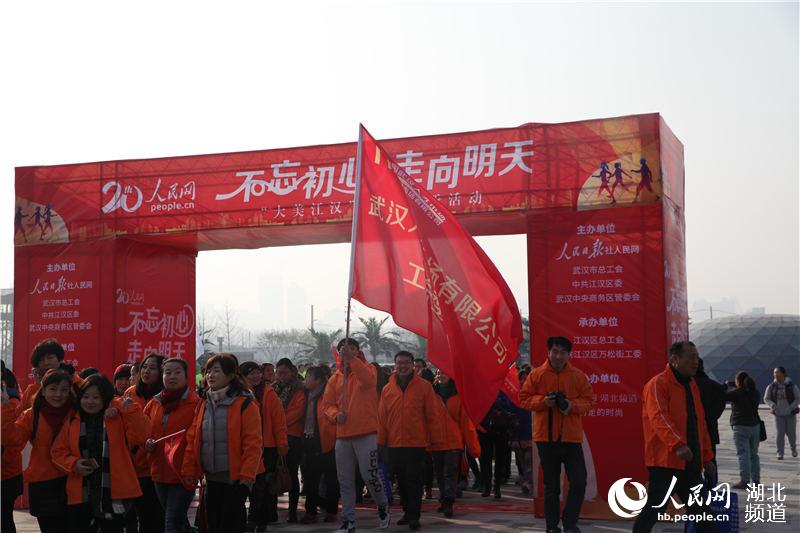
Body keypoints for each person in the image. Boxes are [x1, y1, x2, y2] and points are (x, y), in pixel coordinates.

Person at [633, 341, 716, 533]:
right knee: (654, 509)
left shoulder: (692, 385)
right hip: (666, 462)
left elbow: (699, 424)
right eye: (690, 357)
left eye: (697, 357)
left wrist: (707, 457)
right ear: (674, 359)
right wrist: (677, 445)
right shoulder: (658, 384)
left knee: (701, 512)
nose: (695, 362)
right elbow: (659, 417)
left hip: (690, 461)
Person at [52, 374, 149, 533]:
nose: (90, 401)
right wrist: (74, 464)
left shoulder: (118, 417)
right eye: (86, 396)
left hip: (114, 492)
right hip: (82, 493)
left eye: (96, 397)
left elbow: (143, 435)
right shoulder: (73, 420)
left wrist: (123, 407)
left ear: (106, 398)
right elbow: (58, 452)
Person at [181, 354, 263, 533]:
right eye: (208, 371)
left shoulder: (245, 403)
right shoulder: (203, 403)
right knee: (213, 525)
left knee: (230, 525)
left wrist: (247, 477)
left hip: (235, 480)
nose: (210, 375)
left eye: (216, 371)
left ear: (231, 375)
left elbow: (253, 443)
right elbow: (193, 439)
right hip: (210, 478)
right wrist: (189, 470)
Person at [519, 336, 592, 533]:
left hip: (571, 438)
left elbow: (589, 401)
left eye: (563, 352)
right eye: (555, 351)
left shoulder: (577, 376)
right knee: (551, 486)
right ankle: (552, 526)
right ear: (548, 352)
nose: (558, 356)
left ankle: (570, 523)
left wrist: (570, 405)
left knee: (579, 481)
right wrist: (543, 402)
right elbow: (524, 399)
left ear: (569, 354)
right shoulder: (537, 375)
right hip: (546, 439)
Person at [322, 338, 390, 533]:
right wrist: (336, 415)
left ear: (357, 351)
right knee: (345, 480)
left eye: (352, 348)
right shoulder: (335, 378)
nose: (348, 351)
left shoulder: (368, 369)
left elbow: (367, 382)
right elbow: (327, 405)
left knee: (370, 475)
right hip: (342, 436)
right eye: (344, 349)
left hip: (366, 433)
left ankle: (382, 505)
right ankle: (348, 521)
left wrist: (351, 360)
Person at [1, 369, 75, 533]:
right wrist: (5, 408)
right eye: (53, 389)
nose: (58, 394)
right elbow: (11, 439)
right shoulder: (32, 415)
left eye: (64, 390)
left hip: (72, 481)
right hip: (43, 485)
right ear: (43, 391)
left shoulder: (76, 413)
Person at [378, 351, 443, 531]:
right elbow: (382, 417)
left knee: (414, 480)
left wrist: (436, 439)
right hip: (394, 443)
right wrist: (381, 441)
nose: (403, 366)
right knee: (401, 482)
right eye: (399, 363)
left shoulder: (424, 387)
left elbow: (432, 414)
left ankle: (414, 516)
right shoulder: (387, 389)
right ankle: (407, 512)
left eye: (406, 362)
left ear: (413, 365)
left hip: (416, 443)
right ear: (395, 365)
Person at [143, 358, 200, 533]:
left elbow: (197, 440)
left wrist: (191, 471)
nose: (172, 376)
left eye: (177, 372)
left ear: (186, 376)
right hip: (159, 472)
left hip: (183, 474)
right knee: (178, 521)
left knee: (171, 524)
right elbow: (144, 431)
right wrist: (147, 443)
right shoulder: (154, 403)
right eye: (168, 372)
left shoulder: (196, 404)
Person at [125, 353, 167, 533]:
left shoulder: (164, 396)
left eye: (152, 368)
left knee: (156, 517)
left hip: (157, 463)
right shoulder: (131, 393)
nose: (147, 371)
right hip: (134, 463)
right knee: (138, 515)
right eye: (144, 367)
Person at [430, 370, 480, 518]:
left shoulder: (458, 396)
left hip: (453, 441)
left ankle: (449, 501)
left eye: (444, 372)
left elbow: (466, 423)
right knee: (439, 473)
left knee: (450, 472)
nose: (441, 375)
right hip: (435, 440)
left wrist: (473, 447)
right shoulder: (430, 394)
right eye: (439, 373)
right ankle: (443, 498)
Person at [299, 366, 340, 524]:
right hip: (309, 439)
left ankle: (331, 511)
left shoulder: (328, 393)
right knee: (310, 479)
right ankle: (311, 512)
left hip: (327, 440)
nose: (306, 380)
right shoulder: (305, 394)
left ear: (318, 380)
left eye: (308, 377)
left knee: (331, 478)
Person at [273, 357, 306, 523]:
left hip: (293, 437)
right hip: (275, 437)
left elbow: (297, 413)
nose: (281, 376)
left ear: (292, 372)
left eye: (285, 373)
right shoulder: (273, 389)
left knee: (291, 474)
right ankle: (272, 511)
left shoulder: (300, 389)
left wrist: (277, 422)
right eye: (279, 373)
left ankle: (292, 511)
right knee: (274, 474)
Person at [259, 363, 288, 530]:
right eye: (267, 371)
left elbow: (279, 421)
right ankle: (259, 514)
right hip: (254, 445)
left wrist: (281, 443)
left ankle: (269, 514)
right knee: (258, 484)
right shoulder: (245, 393)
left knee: (268, 482)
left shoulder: (270, 393)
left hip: (269, 445)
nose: (270, 373)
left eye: (272, 371)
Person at [725, 371, 761, 488]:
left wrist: (727, 385)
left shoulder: (737, 393)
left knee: (743, 454)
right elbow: (744, 390)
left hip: (740, 426)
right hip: (755, 426)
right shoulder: (755, 392)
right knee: (754, 454)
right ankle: (756, 480)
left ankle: (744, 480)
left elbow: (724, 396)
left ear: (738, 382)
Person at [477, 391, 516, 499]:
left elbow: (509, 404)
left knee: (500, 458)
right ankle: (487, 485)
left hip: (501, 428)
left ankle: (497, 486)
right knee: (485, 459)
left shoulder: (503, 389)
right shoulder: (481, 389)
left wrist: (494, 401)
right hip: (484, 428)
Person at [1, 363, 24, 533]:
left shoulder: (13, 402)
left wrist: (5, 405)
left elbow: (12, 438)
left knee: (4, 518)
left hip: (6, 473)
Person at [21, 338, 71, 411]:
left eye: (50, 358)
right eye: (41, 360)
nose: (46, 363)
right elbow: (20, 414)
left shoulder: (75, 381)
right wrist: (38, 387)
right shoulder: (32, 390)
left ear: (60, 360)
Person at [694, 358, 727, 463]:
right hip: (710, 429)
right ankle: (712, 474)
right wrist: (710, 417)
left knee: (691, 464)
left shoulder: (685, 385)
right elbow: (721, 402)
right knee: (711, 461)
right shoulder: (714, 386)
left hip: (689, 431)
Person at [764, 366, 800, 460]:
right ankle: (780, 453)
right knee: (780, 433)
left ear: (783, 374)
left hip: (790, 414)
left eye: (777, 372)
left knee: (791, 433)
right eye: (774, 372)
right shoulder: (771, 386)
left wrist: (791, 407)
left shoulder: (791, 386)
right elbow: (766, 398)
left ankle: (793, 448)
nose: (775, 374)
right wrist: (773, 405)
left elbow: (798, 398)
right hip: (778, 414)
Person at [511, 368, 533, 495]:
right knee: (521, 461)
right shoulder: (514, 394)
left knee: (528, 460)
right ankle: (526, 480)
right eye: (521, 378)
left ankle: (528, 483)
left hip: (530, 434)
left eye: (526, 378)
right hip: (517, 435)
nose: (524, 381)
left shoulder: (534, 394)